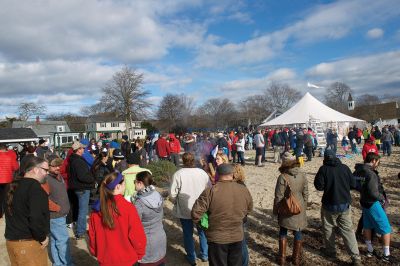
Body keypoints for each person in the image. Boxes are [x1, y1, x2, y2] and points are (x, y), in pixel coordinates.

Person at [192, 164, 253, 266]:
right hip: (237, 236)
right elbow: (249, 209)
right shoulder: (243, 189)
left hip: (217, 238)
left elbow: (195, 213)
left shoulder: (210, 191)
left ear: (217, 174)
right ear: (232, 174)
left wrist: (204, 226)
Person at [314, 150, 361, 265]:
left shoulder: (323, 169)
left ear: (325, 158)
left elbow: (319, 186)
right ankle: (356, 257)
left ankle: (331, 252)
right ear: (336, 157)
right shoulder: (344, 167)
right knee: (348, 231)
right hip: (344, 204)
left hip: (329, 204)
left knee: (328, 228)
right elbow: (354, 184)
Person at [89, 172, 147, 266]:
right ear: (118, 187)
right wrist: (140, 254)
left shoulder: (96, 210)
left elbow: (92, 236)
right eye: (124, 184)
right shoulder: (128, 208)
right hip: (127, 260)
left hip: (105, 259)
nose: (125, 186)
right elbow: (137, 235)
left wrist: (95, 252)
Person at [4, 156, 50, 265]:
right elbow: (36, 218)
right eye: (45, 170)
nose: (47, 173)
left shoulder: (12, 186)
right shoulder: (34, 187)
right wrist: (42, 237)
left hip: (12, 243)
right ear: (35, 169)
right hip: (28, 245)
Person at [169, 152, 210, 265]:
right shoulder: (202, 173)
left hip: (184, 208)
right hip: (201, 208)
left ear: (183, 160)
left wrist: (175, 201)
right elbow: (209, 189)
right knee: (202, 232)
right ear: (194, 161)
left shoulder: (178, 174)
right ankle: (205, 255)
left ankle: (191, 257)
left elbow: (172, 194)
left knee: (188, 233)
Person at [354, 153, 392, 262]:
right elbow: (373, 192)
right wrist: (383, 198)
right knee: (386, 228)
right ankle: (386, 255)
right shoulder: (371, 173)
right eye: (378, 162)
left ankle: (370, 250)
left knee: (367, 226)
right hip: (373, 203)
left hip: (364, 201)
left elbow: (353, 184)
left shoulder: (358, 170)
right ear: (374, 161)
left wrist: (362, 190)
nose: (378, 164)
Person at [273, 152, 308, 266]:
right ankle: (296, 259)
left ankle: (282, 259)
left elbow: (278, 196)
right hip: (299, 206)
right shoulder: (302, 174)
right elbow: (306, 193)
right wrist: (303, 206)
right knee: (298, 231)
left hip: (286, 207)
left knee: (283, 231)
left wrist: (276, 211)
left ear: (284, 162)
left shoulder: (282, 176)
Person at [134, 171, 167, 266]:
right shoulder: (157, 194)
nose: (134, 184)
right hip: (160, 237)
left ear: (140, 183)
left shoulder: (139, 203)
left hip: (147, 243)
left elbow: (135, 225)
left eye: (134, 182)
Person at [46, 156, 72, 266]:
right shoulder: (46, 179)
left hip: (60, 215)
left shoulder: (58, 176)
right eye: (54, 165)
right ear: (48, 166)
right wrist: (57, 208)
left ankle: (58, 263)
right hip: (56, 216)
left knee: (55, 240)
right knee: (62, 241)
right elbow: (43, 198)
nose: (58, 167)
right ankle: (67, 263)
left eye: (59, 165)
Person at [68, 141, 95, 239]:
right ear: (78, 150)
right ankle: (80, 232)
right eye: (82, 148)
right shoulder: (78, 161)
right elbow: (82, 176)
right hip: (82, 187)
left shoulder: (73, 159)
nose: (84, 149)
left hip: (77, 187)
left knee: (80, 210)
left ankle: (80, 230)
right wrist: (93, 179)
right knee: (83, 211)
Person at [233, 164, 249, 266]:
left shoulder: (236, 186)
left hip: (237, 218)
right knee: (242, 242)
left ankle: (243, 263)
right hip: (242, 217)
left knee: (241, 243)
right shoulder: (243, 185)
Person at [0, 143, 19, 218]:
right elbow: (16, 167)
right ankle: (7, 212)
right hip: (7, 179)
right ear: (6, 149)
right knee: (7, 196)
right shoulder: (10, 157)